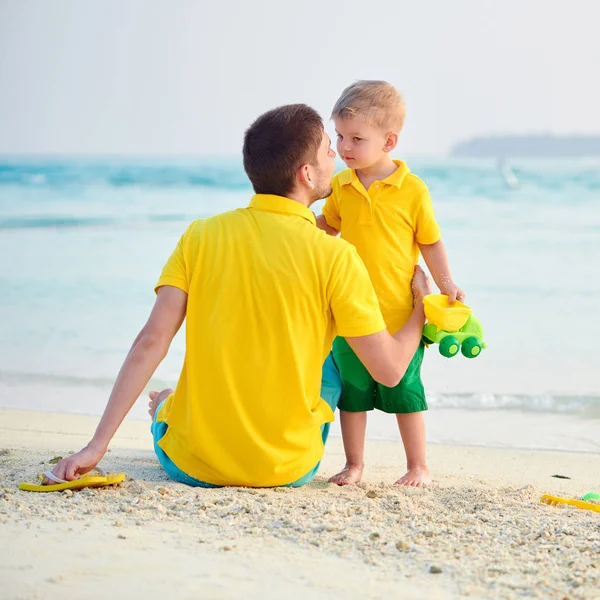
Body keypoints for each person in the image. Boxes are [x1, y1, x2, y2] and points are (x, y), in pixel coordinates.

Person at [49, 103, 432, 488]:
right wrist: (420, 308)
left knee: (180, 395)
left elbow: (151, 341)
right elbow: (390, 371)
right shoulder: (336, 256)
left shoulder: (201, 235)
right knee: (334, 359)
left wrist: (95, 447)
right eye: (328, 151)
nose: (337, 156)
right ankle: (172, 403)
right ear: (305, 173)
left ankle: (168, 406)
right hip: (288, 469)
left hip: (190, 464)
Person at [316, 81, 464, 487]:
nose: (345, 147)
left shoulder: (412, 190)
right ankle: (354, 464)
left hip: (400, 311)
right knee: (353, 391)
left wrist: (446, 282)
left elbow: (430, 240)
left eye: (357, 138)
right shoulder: (341, 188)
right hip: (349, 308)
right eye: (340, 136)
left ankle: (418, 465)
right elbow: (327, 227)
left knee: (405, 392)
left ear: (389, 141)